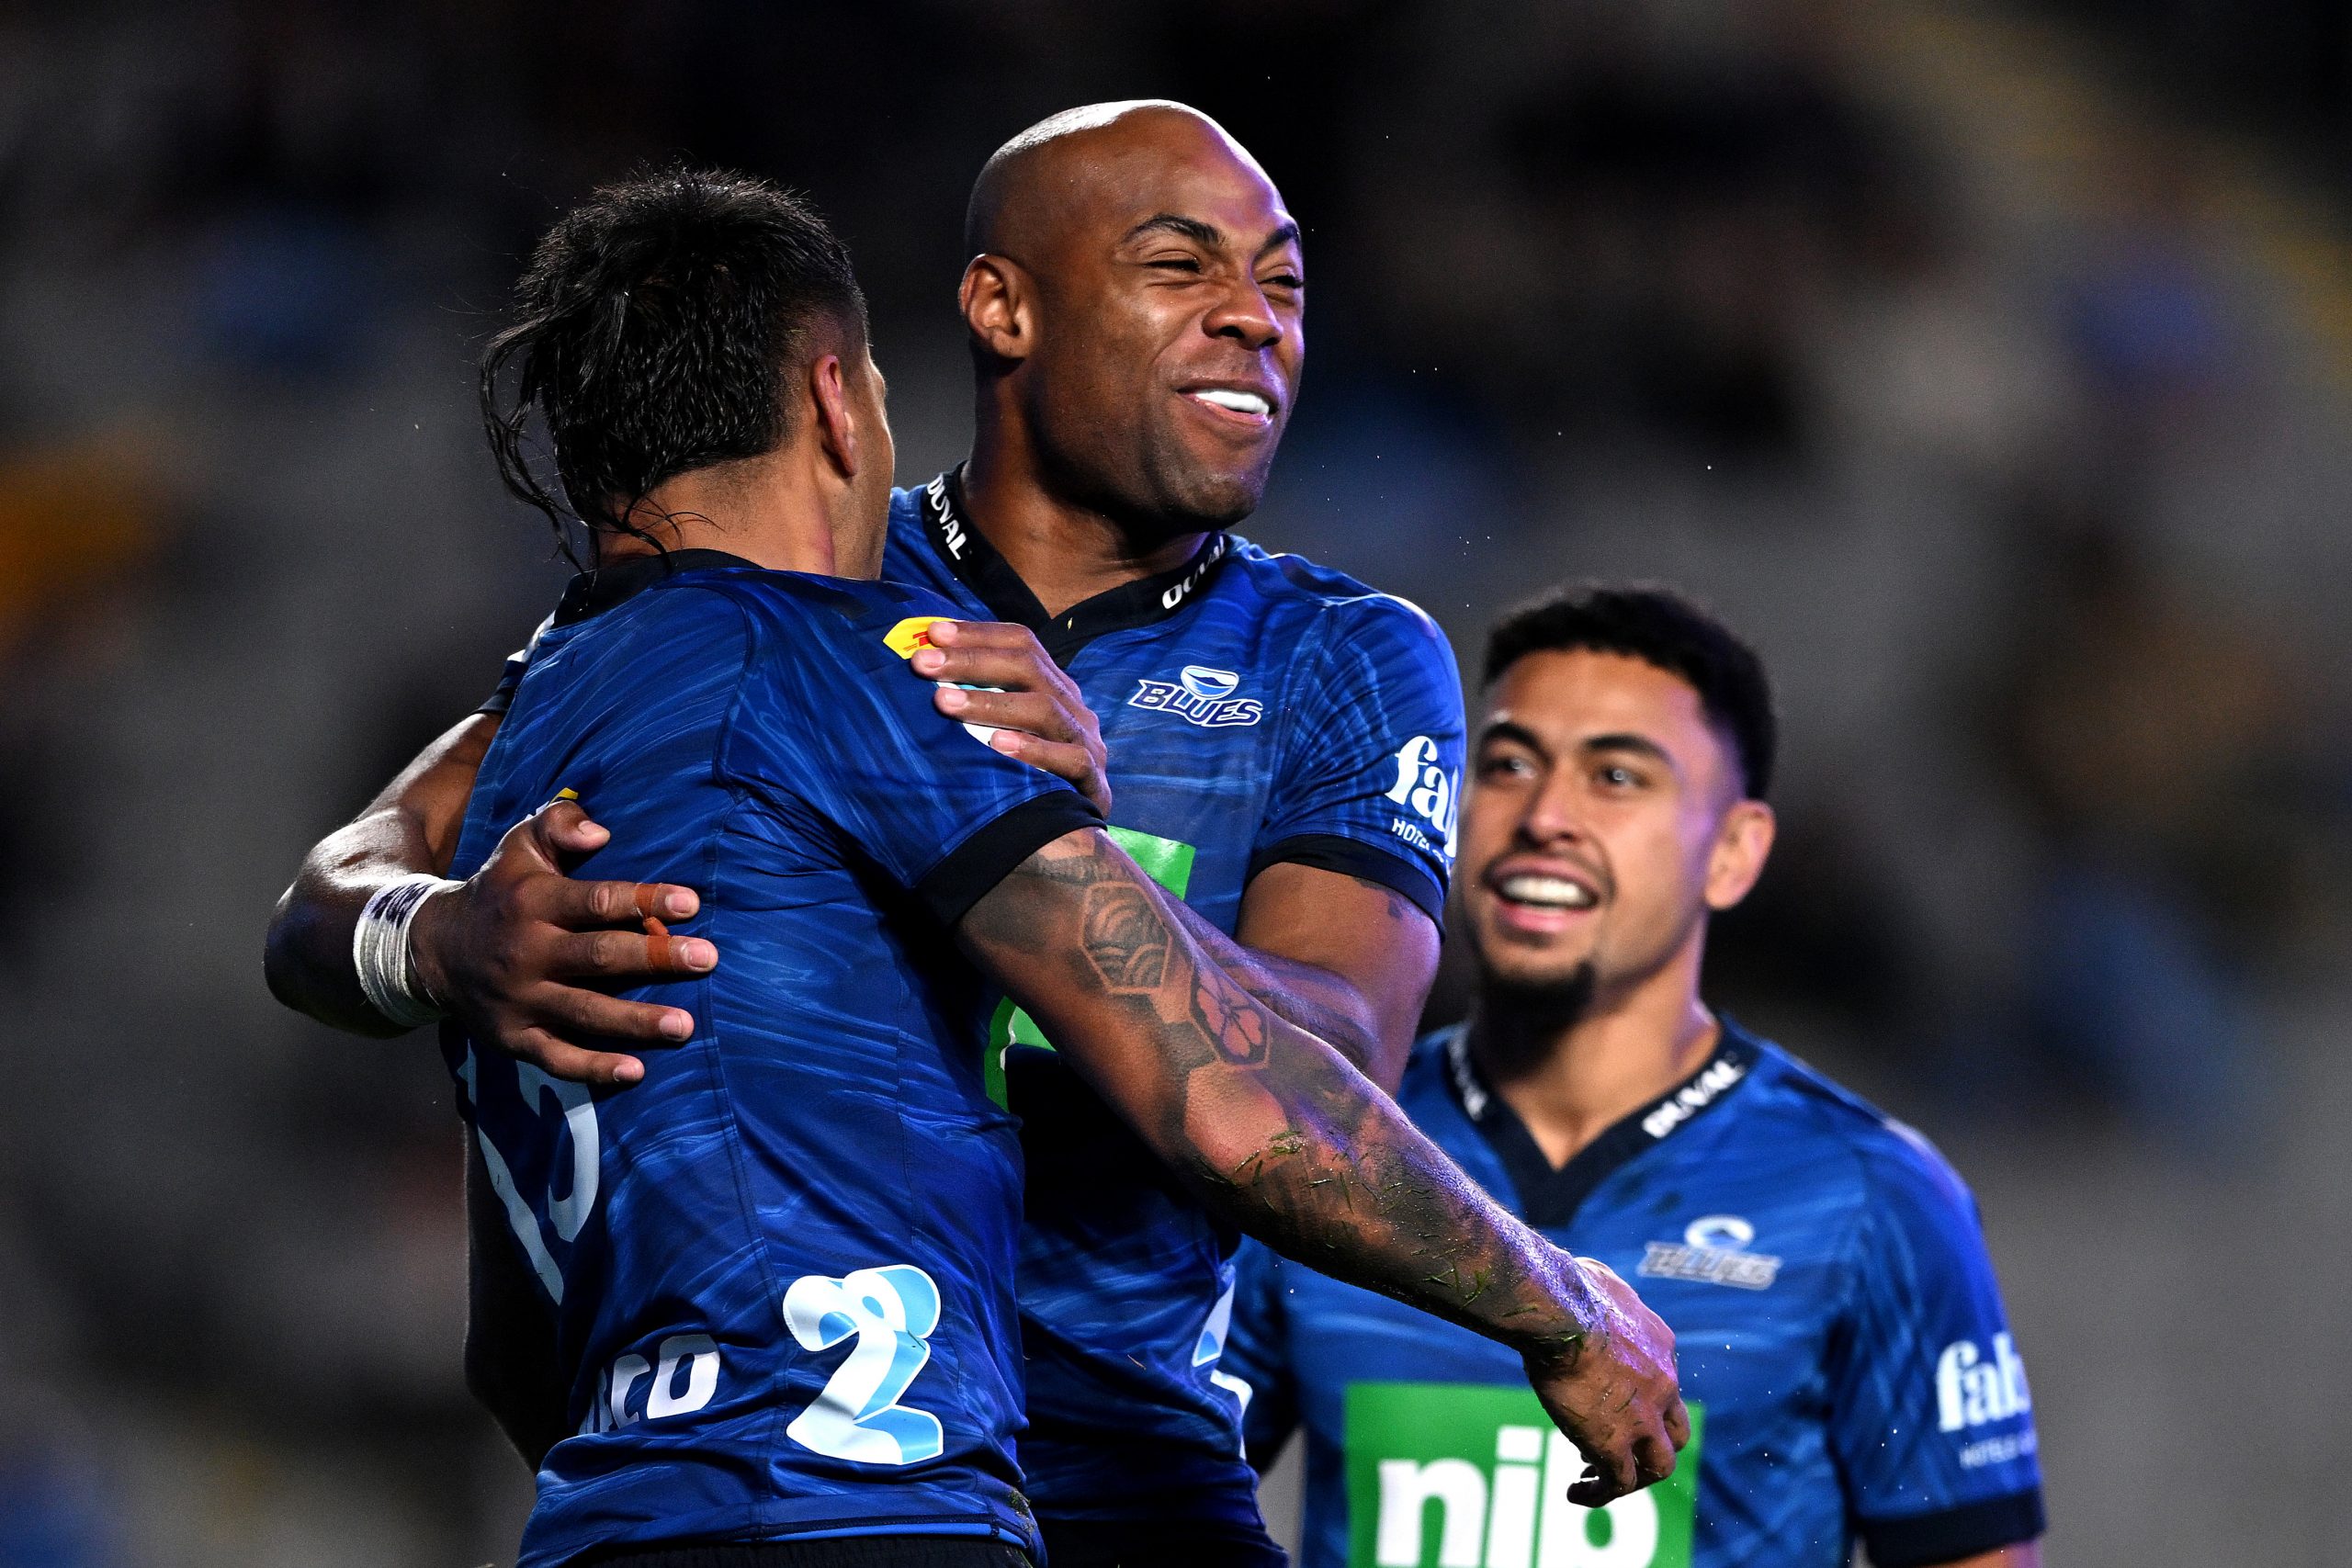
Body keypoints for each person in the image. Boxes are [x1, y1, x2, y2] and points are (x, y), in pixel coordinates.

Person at [276, 169, 1689, 1568]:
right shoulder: (819, 622)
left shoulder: (1340, 652)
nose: (1252, 318)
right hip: (871, 1465)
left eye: (1285, 279)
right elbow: (1239, 1101)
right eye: (1182, 264)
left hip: (1043, 1458)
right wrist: (439, 931)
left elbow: (1339, 1057)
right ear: (958, 333)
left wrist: (1045, 849)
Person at [1222, 586, 2047, 1568]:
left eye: (1615, 776)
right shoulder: (1324, 1143)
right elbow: (1156, 1486)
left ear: (1734, 853)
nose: (1543, 816)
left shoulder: (1871, 1199)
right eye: (1507, 765)